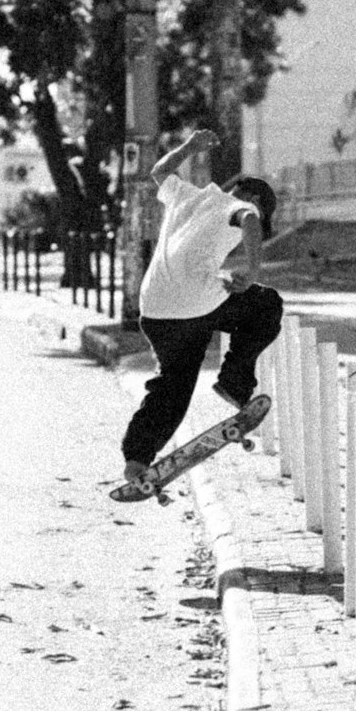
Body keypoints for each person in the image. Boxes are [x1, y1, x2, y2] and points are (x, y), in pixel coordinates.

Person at [121, 128, 284, 481]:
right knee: (266, 305)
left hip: (154, 308)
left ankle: (137, 459)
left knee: (172, 387)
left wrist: (190, 146)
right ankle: (235, 382)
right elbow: (251, 220)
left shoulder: (185, 195)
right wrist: (253, 269)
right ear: (251, 194)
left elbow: (159, 171)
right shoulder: (239, 205)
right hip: (195, 304)